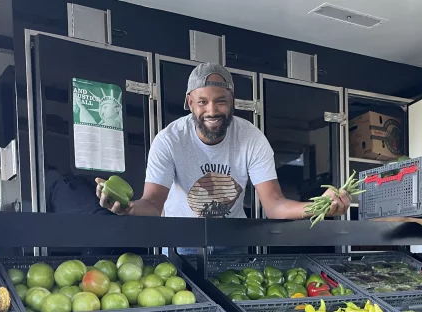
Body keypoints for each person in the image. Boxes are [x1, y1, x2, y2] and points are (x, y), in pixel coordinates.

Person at [96, 62, 350, 220]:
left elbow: (275, 206)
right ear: (189, 103)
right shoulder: (169, 140)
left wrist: (318, 207)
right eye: (202, 102)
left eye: (220, 101)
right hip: (181, 239)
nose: (212, 111)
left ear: (232, 103)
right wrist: (129, 208)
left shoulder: (251, 139)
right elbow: (153, 202)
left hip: (232, 239)